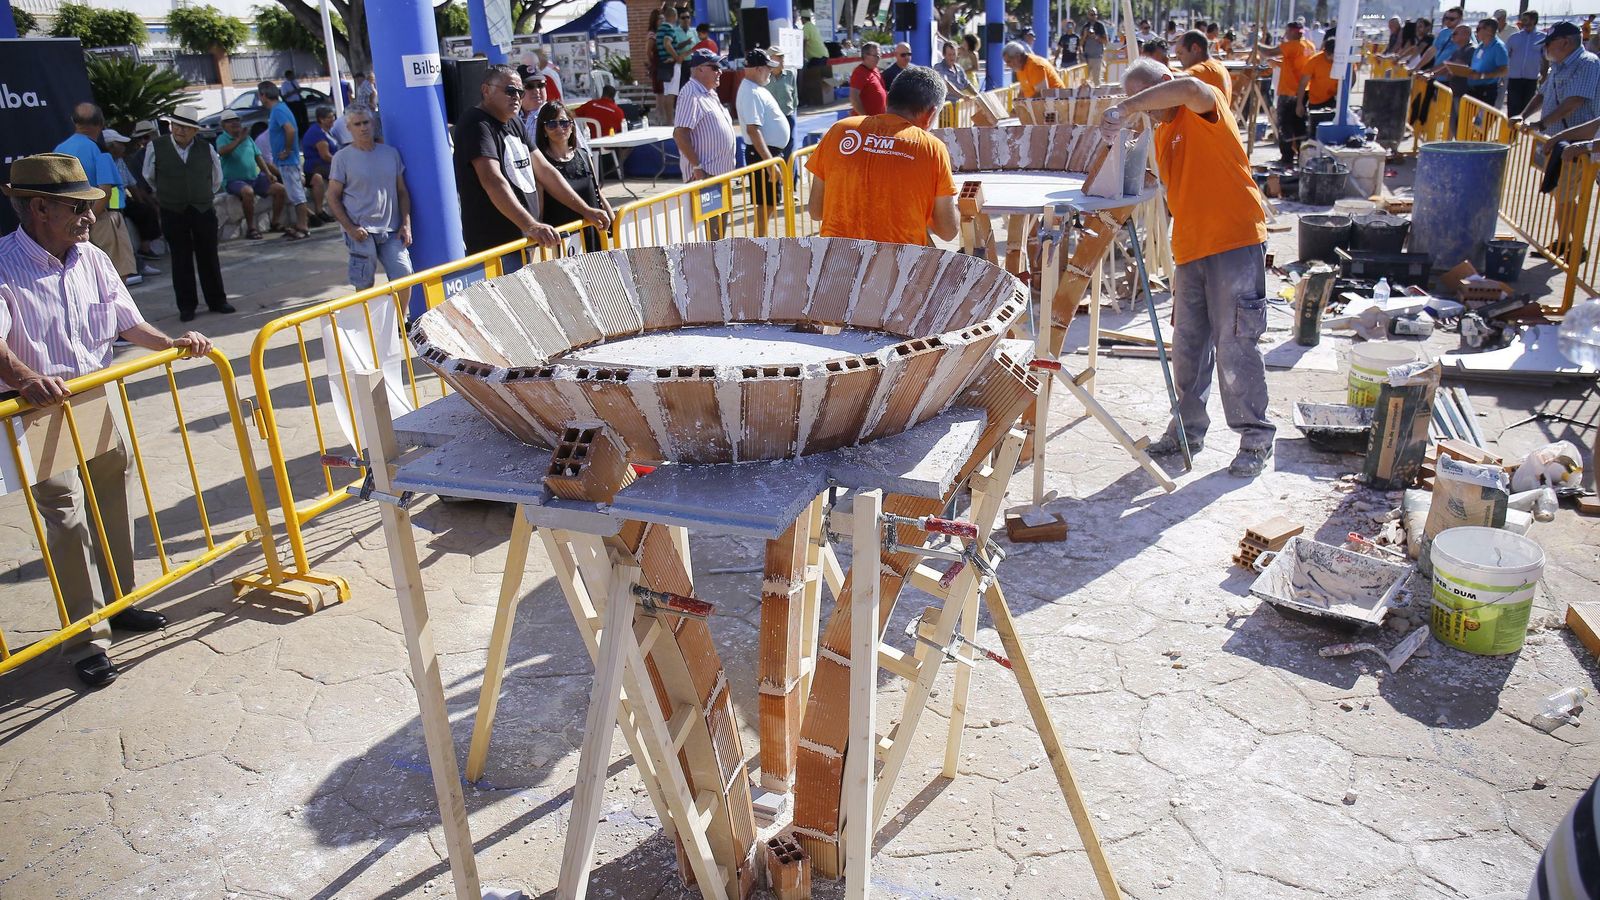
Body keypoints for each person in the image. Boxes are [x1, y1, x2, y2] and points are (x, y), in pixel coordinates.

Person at [0, 154, 215, 688]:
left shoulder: (91, 258)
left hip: (90, 394)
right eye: (78, 207)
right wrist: (28, 378)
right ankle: (86, 638)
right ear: (39, 207)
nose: (91, 216)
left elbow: (126, 321)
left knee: (112, 498)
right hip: (40, 408)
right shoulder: (4, 265)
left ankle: (121, 603)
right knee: (68, 519)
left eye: (93, 206)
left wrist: (172, 343)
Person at [1103, 58, 1273, 477]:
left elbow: (1187, 89)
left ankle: (1255, 436)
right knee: (1189, 348)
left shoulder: (1204, 106)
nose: (1148, 110)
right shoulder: (1164, 133)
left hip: (1234, 240)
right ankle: (1186, 430)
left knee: (1237, 342)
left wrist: (1125, 107)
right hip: (1191, 248)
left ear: (1163, 84)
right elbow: (1177, 184)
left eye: (1149, 98)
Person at [451, 65, 609, 257]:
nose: (517, 96)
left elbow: (545, 170)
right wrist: (531, 225)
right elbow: (493, 180)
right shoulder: (476, 124)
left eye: (520, 91)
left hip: (523, 240)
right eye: (510, 91)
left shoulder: (515, 122)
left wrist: (586, 210)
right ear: (486, 90)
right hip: (496, 245)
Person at [806, 65, 958, 246]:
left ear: (888, 99)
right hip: (898, 267)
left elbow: (816, 210)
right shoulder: (932, 149)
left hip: (838, 261)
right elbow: (948, 231)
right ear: (930, 114)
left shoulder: (839, 131)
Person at [143, 105, 233, 321]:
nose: (179, 131)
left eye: (185, 127)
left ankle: (217, 300)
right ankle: (186, 306)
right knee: (180, 258)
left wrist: (200, 194)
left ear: (195, 131)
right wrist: (170, 193)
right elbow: (149, 176)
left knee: (208, 255)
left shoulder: (206, 148)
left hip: (202, 208)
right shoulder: (156, 147)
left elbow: (216, 178)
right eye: (176, 126)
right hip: (172, 209)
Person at [327, 108, 413, 289]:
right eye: (357, 124)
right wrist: (350, 228)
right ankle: (367, 318)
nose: (363, 128)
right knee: (364, 283)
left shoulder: (391, 153)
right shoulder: (342, 158)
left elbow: (402, 191)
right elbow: (333, 196)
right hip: (361, 230)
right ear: (349, 128)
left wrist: (406, 223)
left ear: (373, 124)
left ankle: (400, 317)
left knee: (404, 274)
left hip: (391, 229)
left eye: (366, 122)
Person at [53, 103, 137, 284]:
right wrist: (89, 222)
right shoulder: (99, 150)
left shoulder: (58, 150)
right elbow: (106, 191)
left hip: (68, 222)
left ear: (74, 122)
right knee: (115, 276)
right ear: (101, 122)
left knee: (83, 278)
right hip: (102, 220)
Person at [531, 102, 612, 252]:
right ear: (543, 130)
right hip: (562, 242)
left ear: (572, 125)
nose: (559, 128)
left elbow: (597, 193)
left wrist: (613, 221)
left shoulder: (584, 156)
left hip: (592, 233)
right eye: (551, 124)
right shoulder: (541, 165)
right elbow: (539, 210)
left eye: (564, 123)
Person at [737, 49, 791, 236]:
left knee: (768, 203)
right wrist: (769, 163)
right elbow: (753, 129)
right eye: (768, 68)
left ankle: (762, 241)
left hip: (767, 152)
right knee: (765, 203)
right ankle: (761, 243)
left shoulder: (755, 89)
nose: (770, 71)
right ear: (759, 69)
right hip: (763, 153)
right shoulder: (751, 91)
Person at [216, 110, 288, 240]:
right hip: (234, 180)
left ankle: (275, 222)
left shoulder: (248, 138)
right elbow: (222, 151)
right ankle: (251, 228)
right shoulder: (222, 138)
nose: (234, 123)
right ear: (223, 125)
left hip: (254, 178)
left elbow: (258, 157)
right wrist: (238, 140)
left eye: (236, 120)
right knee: (247, 192)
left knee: (280, 189)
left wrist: (268, 173)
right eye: (230, 121)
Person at [1516, 21, 1599, 133]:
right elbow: (1542, 95)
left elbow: (1574, 101)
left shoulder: (1587, 62)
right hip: (1552, 139)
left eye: (1548, 43)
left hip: (1572, 144)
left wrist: (1541, 124)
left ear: (1565, 43)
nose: (1545, 47)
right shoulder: (1558, 64)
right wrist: (1523, 116)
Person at [259, 82, 315, 239]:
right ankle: (300, 225)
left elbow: (290, 129)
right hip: (286, 161)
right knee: (294, 194)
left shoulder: (278, 110)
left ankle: (303, 227)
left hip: (288, 161)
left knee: (297, 195)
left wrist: (287, 150)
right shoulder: (280, 109)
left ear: (263, 95)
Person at [673, 48, 738, 183]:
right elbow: (680, 134)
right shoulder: (690, 93)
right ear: (699, 69)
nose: (720, 71)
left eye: (719, 67)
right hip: (704, 176)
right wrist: (697, 167)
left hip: (718, 174)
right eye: (714, 67)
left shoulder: (709, 91)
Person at [1262, 20, 1314, 166]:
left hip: (1289, 91)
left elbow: (1269, 51)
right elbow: (1296, 64)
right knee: (1299, 125)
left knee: (1285, 125)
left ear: (1291, 32)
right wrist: (1279, 63)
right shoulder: (1308, 45)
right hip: (1303, 91)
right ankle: (1301, 156)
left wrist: (1257, 45)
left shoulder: (1292, 45)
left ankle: (1287, 158)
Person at [107, 127, 162, 262]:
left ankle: (145, 248)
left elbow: (132, 184)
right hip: (110, 202)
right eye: (120, 144)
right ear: (111, 146)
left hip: (122, 199)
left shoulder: (120, 161)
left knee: (145, 210)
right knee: (118, 220)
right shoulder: (105, 160)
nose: (124, 147)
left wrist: (141, 201)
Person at [301, 106, 341, 223]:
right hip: (317, 165)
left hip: (326, 164)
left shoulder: (327, 131)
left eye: (333, 116)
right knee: (344, 176)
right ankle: (324, 210)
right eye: (329, 117)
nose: (333, 119)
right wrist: (342, 163)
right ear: (321, 119)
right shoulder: (317, 133)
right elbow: (325, 156)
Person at [1506, 11, 1547, 121]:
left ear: (1533, 21)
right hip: (1514, 78)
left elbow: (1545, 58)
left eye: (1525, 19)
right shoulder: (1514, 37)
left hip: (1531, 78)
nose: (1522, 22)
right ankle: (1510, 135)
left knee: (1525, 108)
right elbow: (1507, 56)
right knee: (1513, 107)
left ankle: (1517, 134)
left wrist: (1544, 75)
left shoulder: (1543, 38)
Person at [1176, 29, 1230, 106]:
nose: (1178, 58)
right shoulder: (1219, 66)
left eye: (1180, 53)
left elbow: (1176, 82)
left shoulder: (1203, 70)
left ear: (1195, 48)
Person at [1463, 19, 1508, 107]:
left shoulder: (1498, 47)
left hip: (1486, 91)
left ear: (1488, 30)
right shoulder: (1481, 45)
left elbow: (1503, 71)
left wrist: (1482, 75)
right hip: (1473, 89)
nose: (1476, 32)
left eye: (1478, 29)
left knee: (1483, 120)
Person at [1300, 33, 1339, 119]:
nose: (1329, 57)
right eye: (1327, 54)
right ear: (1324, 51)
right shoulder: (1314, 61)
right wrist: (1299, 104)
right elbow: (1303, 83)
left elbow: (1352, 78)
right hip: (1316, 102)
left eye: (1332, 55)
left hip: (1334, 100)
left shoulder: (1341, 61)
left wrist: (1341, 93)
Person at [851, 42, 889, 115]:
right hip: (866, 122)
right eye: (876, 56)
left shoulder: (875, 70)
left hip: (878, 120)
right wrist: (865, 118)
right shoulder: (859, 72)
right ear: (865, 56)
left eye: (879, 55)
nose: (878, 58)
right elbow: (854, 98)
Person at [1082, 9, 1109, 83]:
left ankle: (1097, 94)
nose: (1093, 17)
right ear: (1088, 15)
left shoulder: (1100, 26)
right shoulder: (1085, 26)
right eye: (1091, 15)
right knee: (1085, 81)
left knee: (1096, 80)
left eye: (1094, 14)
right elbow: (1080, 43)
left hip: (1097, 57)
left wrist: (1096, 37)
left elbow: (1106, 41)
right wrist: (1085, 36)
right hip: (1086, 57)